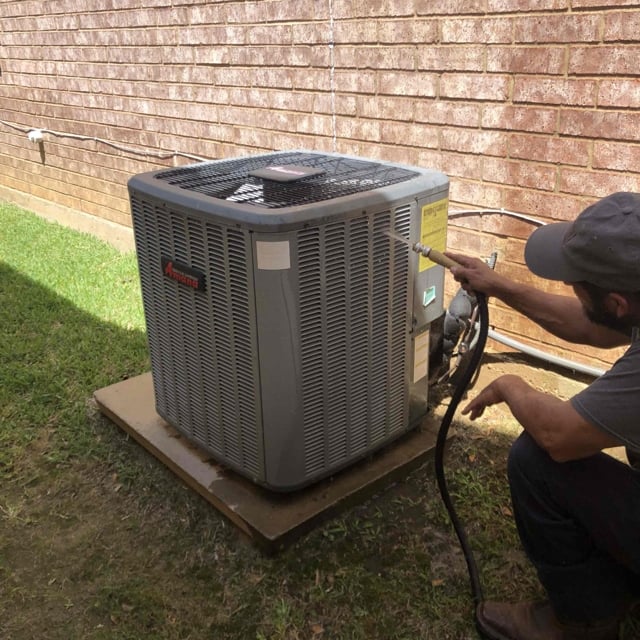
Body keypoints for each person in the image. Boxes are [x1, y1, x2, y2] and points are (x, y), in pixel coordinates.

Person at [447, 191, 640, 640]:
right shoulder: (633, 297)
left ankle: (582, 621)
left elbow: (560, 434)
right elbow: (589, 324)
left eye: (577, 282)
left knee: (536, 461)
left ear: (618, 303)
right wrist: (498, 285)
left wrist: (511, 385)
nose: (570, 286)